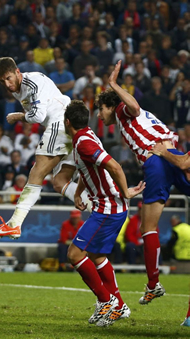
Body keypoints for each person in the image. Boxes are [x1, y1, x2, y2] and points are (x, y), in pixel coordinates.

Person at [96, 60, 190, 305]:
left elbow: (134, 107)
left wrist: (114, 85)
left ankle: (153, 284)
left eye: (100, 110)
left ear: (109, 105)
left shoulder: (121, 112)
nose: (99, 115)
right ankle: (154, 287)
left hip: (156, 161)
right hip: (174, 154)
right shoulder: (142, 119)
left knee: (147, 228)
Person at [0, 57, 89, 239]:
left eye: (9, 78)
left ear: (17, 71)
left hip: (60, 122)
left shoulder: (32, 83)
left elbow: (38, 115)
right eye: (2, 81)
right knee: (59, 182)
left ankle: (15, 224)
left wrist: (19, 116)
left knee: (37, 173)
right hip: (67, 123)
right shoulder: (19, 88)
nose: (7, 84)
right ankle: (99, 208)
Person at [65, 100, 145, 326]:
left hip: (108, 207)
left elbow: (115, 166)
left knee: (74, 254)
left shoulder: (83, 143)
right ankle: (119, 305)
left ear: (67, 122)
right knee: (97, 256)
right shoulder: (85, 135)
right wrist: (79, 193)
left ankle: (106, 301)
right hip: (108, 206)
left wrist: (126, 191)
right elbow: (88, 169)